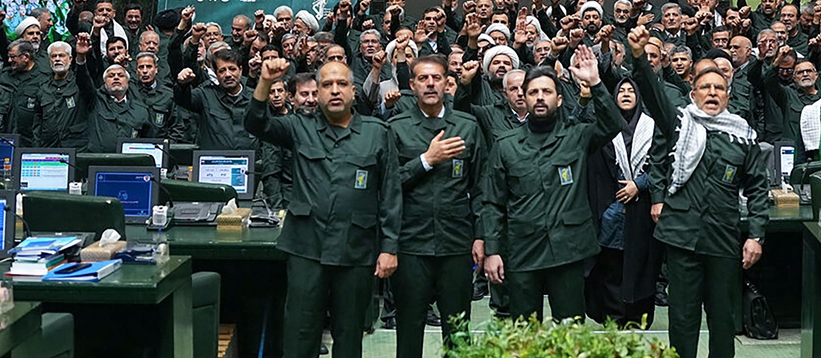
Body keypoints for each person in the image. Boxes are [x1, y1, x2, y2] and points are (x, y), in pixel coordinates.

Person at [246, 57, 401, 358]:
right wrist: (264, 82)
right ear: (316, 92)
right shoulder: (298, 126)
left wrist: (390, 247)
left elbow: (391, 193)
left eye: (341, 84)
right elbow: (256, 123)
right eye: (327, 84)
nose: (334, 90)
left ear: (354, 92)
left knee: (349, 332)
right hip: (307, 247)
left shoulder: (377, 132)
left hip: (356, 248)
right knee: (300, 332)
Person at [629, 26, 767, 358]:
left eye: (719, 87)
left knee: (723, 320)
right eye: (704, 86)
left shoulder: (742, 136)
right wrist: (638, 57)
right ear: (693, 93)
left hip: (722, 240)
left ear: (727, 95)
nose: (712, 92)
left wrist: (756, 236)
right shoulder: (677, 123)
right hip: (681, 238)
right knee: (683, 320)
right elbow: (652, 93)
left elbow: (758, 189)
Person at [480, 46, 624, 321]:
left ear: (559, 99)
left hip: (567, 249)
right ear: (524, 97)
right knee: (524, 330)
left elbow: (612, 124)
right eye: (533, 92)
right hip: (522, 250)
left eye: (547, 92)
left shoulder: (577, 136)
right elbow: (492, 203)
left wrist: (595, 82)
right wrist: (493, 250)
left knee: (570, 328)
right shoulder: (506, 145)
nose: (540, 97)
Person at [387, 55, 483, 357]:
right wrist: (427, 161)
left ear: (447, 84)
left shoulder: (467, 127)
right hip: (411, 243)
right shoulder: (396, 128)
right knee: (409, 325)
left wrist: (482, 236)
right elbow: (388, 187)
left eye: (437, 78)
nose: (430, 83)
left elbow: (482, 187)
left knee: (458, 330)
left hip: (456, 243)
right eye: (423, 79)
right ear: (412, 85)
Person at [585, 77, 662, 328]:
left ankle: (638, 317)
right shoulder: (604, 127)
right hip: (611, 205)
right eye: (621, 91)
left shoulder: (653, 127)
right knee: (611, 264)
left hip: (644, 205)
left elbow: (663, 165)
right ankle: (613, 317)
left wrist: (638, 184)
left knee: (642, 264)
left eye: (631, 90)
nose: (626, 94)